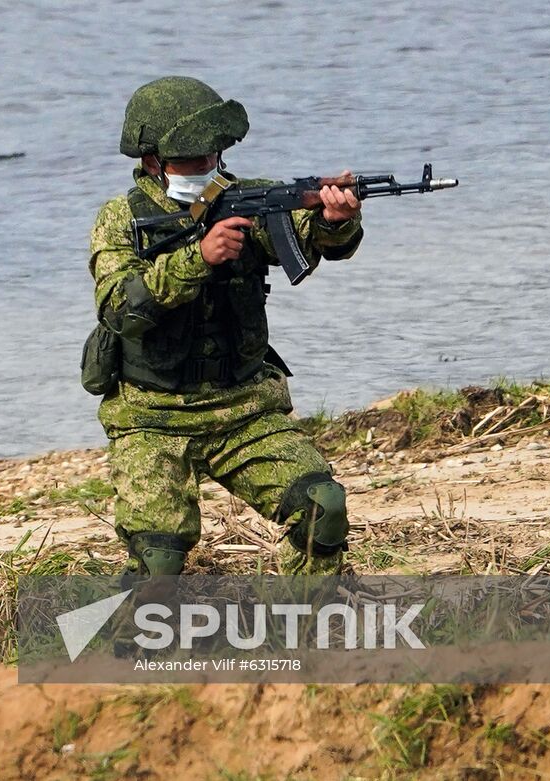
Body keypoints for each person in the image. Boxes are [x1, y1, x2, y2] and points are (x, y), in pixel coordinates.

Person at [85, 77, 364, 586]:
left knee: (322, 507)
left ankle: (305, 636)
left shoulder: (247, 199)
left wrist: (334, 220)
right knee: (159, 562)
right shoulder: (120, 219)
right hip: (152, 417)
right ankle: (128, 652)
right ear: (153, 162)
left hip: (244, 407)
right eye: (191, 160)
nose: (207, 167)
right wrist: (198, 257)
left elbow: (310, 241)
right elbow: (118, 307)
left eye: (213, 154)